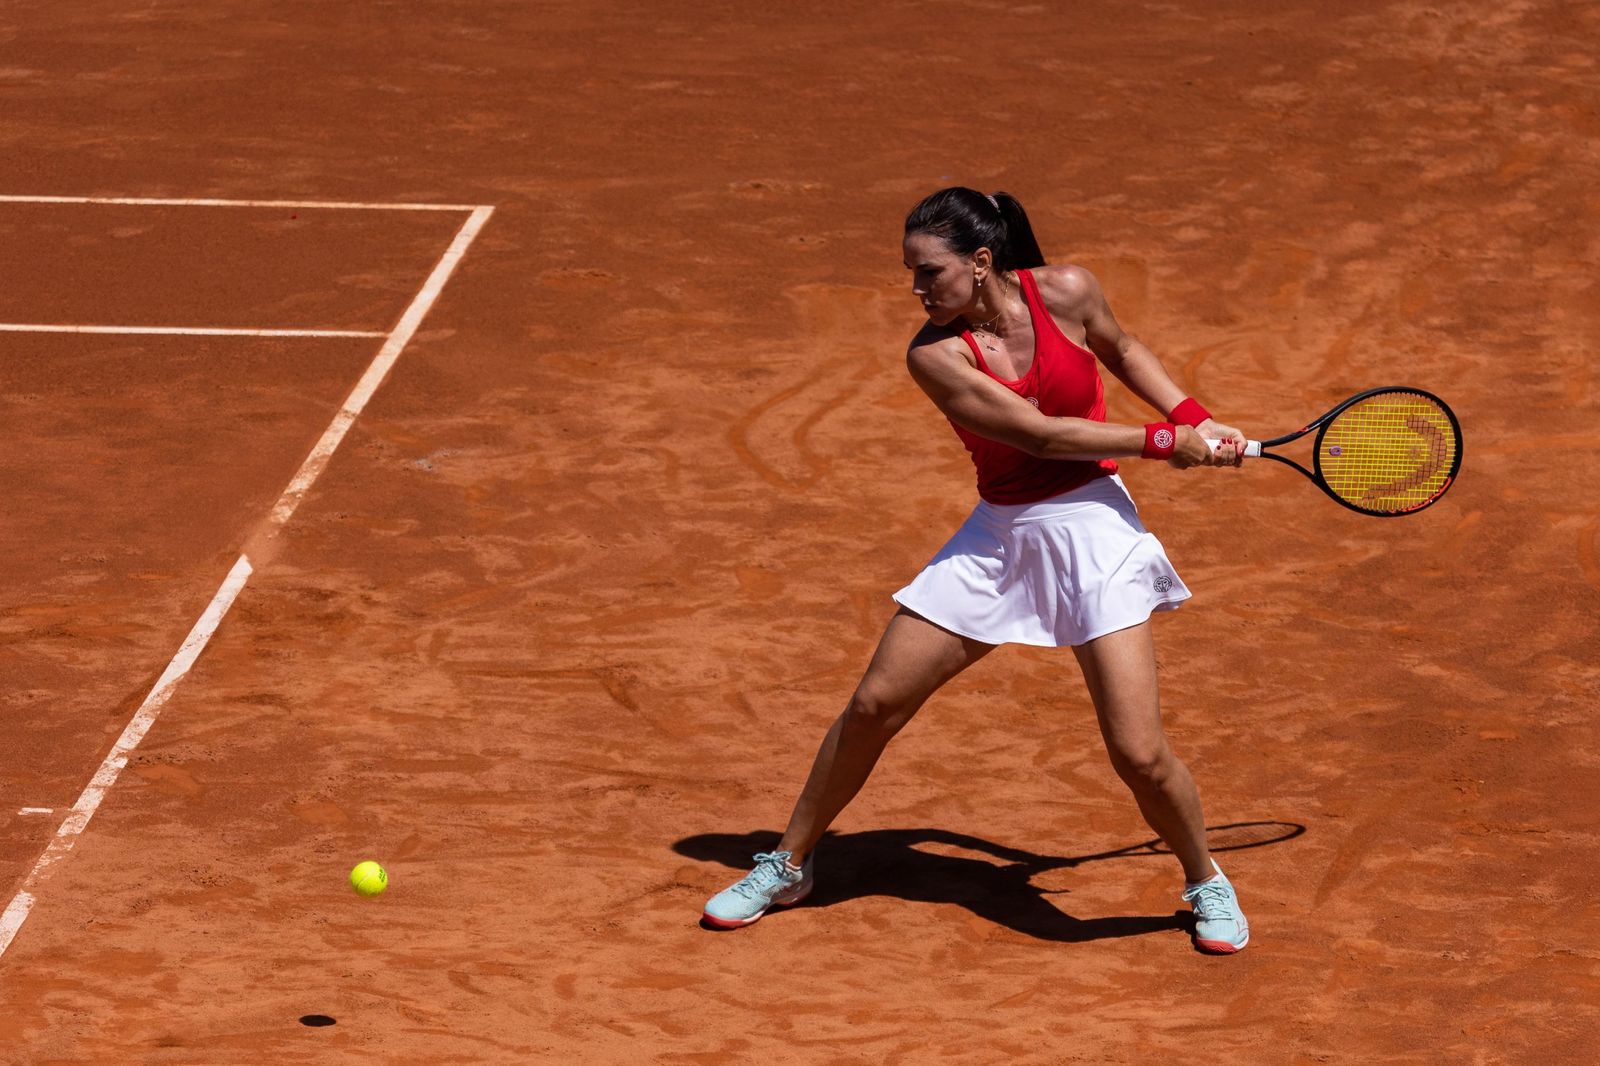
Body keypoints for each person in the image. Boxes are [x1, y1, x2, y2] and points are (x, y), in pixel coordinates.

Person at [703, 187, 1251, 954]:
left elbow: (1121, 349)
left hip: (1093, 529)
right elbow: (1038, 436)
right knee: (872, 706)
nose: (917, 291)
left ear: (981, 262)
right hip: (999, 538)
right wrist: (1164, 443)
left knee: (1138, 752)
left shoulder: (1068, 290)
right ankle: (788, 863)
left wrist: (1192, 417)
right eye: (911, 275)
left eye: (929, 273)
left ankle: (1205, 880)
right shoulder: (934, 355)